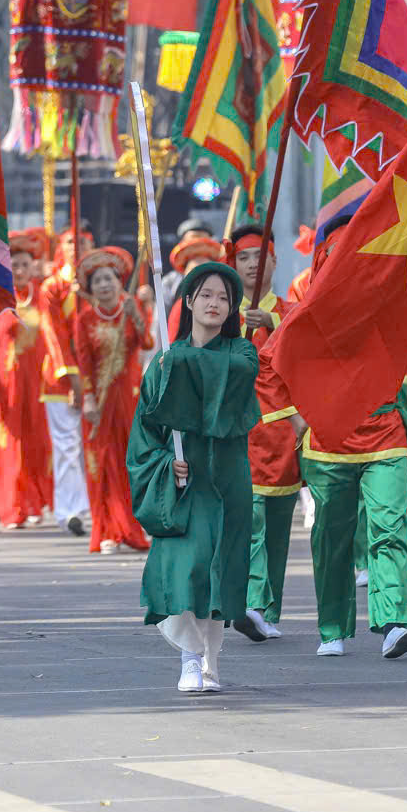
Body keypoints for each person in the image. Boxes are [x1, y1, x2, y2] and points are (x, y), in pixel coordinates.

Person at [294, 214, 407, 660]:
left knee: (388, 527)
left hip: (385, 432)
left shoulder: (391, 291)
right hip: (330, 438)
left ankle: (393, 620)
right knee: (332, 536)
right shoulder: (308, 305)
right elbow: (283, 363)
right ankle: (332, 627)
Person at [129, 261, 259, 692]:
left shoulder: (241, 354)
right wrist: (168, 461)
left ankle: (210, 661)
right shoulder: (165, 362)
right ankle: (189, 659)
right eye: (206, 295)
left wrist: (182, 362)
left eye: (224, 298)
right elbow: (145, 430)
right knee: (192, 564)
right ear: (187, 301)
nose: (215, 304)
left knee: (218, 573)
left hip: (228, 478)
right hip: (185, 482)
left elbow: (237, 377)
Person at [221, 225, 299, 642]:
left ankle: (267, 610)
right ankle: (250, 601)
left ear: (275, 261)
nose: (252, 264)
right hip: (238, 433)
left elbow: (308, 356)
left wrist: (274, 322)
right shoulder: (220, 314)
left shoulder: (291, 311)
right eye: (244, 257)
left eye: (260, 256)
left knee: (277, 528)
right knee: (247, 521)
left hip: (282, 431)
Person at [72, 246, 151, 555]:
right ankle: (106, 530)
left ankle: (131, 528)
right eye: (98, 281)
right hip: (99, 403)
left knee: (129, 461)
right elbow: (84, 362)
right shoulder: (84, 319)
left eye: (109, 279)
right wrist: (88, 399)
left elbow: (147, 343)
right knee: (101, 464)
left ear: (120, 282)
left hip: (129, 398)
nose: (104, 285)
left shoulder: (131, 309)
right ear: (90, 289)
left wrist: (137, 315)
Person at [0, 232, 55, 528]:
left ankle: (33, 502)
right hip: (3, 385)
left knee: (36, 442)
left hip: (37, 385)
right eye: (14, 265)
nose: (19, 270)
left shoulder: (44, 298)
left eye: (24, 264)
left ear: (33, 267)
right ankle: (9, 505)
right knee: (7, 443)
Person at [35, 227, 94, 537]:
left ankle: (102, 507)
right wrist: (72, 380)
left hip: (101, 378)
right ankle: (70, 511)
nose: (78, 246)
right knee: (68, 447)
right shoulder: (51, 287)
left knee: (100, 447)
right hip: (62, 381)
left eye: (83, 241)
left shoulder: (98, 284)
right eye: (71, 242)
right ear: (61, 247)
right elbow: (53, 335)